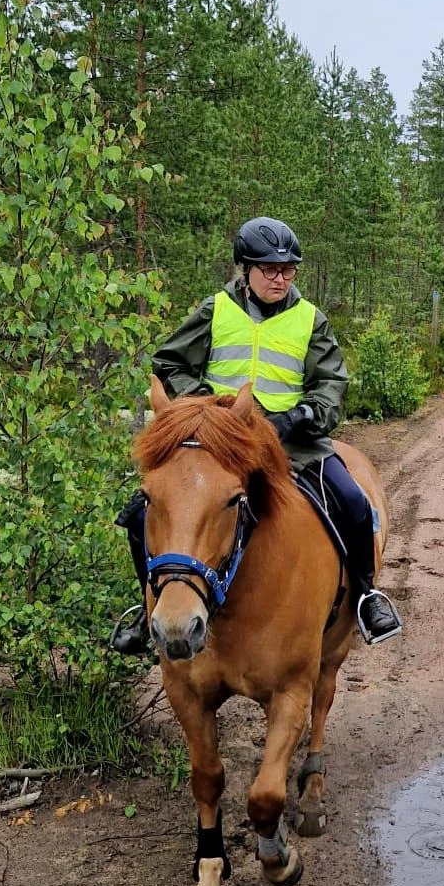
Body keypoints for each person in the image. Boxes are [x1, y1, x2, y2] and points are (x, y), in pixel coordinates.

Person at [110, 217, 402, 655]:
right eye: (269, 269)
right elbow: (169, 364)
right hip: (218, 445)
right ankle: (145, 605)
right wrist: (208, 410)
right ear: (244, 270)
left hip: (293, 445)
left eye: (288, 270)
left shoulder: (311, 320)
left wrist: (298, 416)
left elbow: (331, 386)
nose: (279, 278)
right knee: (139, 512)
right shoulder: (215, 311)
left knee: (355, 504)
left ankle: (364, 596)